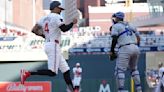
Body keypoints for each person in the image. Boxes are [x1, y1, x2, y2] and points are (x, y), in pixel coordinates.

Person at [20, 1, 77, 92]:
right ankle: (28, 73)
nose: (60, 10)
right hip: (53, 45)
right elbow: (64, 29)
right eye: (59, 8)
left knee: (66, 70)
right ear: (55, 8)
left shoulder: (43, 18)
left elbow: (34, 30)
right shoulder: (56, 17)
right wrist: (72, 23)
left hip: (50, 44)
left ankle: (72, 90)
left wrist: (45, 36)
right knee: (52, 72)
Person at [109, 11, 142, 92]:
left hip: (125, 47)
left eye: (115, 17)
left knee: (120, 70)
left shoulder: (116, 26)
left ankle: (121, 90)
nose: (114, 19)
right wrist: (136, 47)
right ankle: (139, 89)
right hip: (135, 47)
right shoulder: (130, 24)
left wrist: (112, 50)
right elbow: (139, 38)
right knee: (134, 69)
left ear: (117, 18)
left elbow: (114, 38)